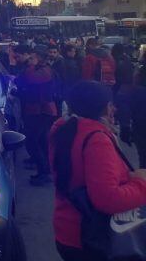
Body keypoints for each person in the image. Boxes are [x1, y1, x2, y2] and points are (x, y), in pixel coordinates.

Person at [50, 80, 146, 261]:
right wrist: (141, 183)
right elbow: (108, 199)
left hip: (68, 228)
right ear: (106, 108)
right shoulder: (96, 138)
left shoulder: (63, 128)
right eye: (111, 105)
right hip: (91, 236)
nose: (114, 110)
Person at [16, 49, 58, 186]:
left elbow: (32, 79)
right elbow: (20, 80)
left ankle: (45, 172)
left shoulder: (45, 70)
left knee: (34, 141)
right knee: (39, 141)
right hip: (35, 109)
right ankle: (44, 169)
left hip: (43, 111)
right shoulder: (36, 69)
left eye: (33, 57)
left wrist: (31, 66)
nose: (29, 59)